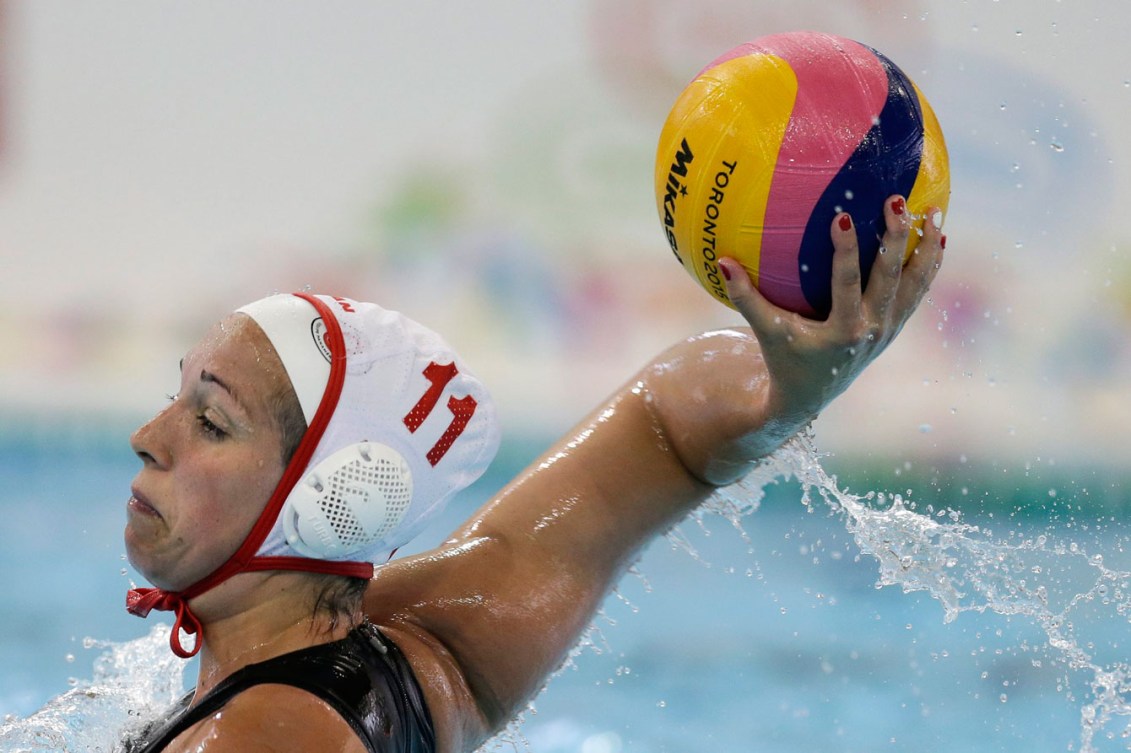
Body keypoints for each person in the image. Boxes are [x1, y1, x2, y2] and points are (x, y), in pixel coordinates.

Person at [121, 196, 945, 753]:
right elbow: (661, 426)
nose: (147, 437)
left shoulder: (260, 735)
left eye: (210, 420)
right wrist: (793, 388)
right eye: (176, 393)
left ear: (335, 501)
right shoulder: (427, 649)